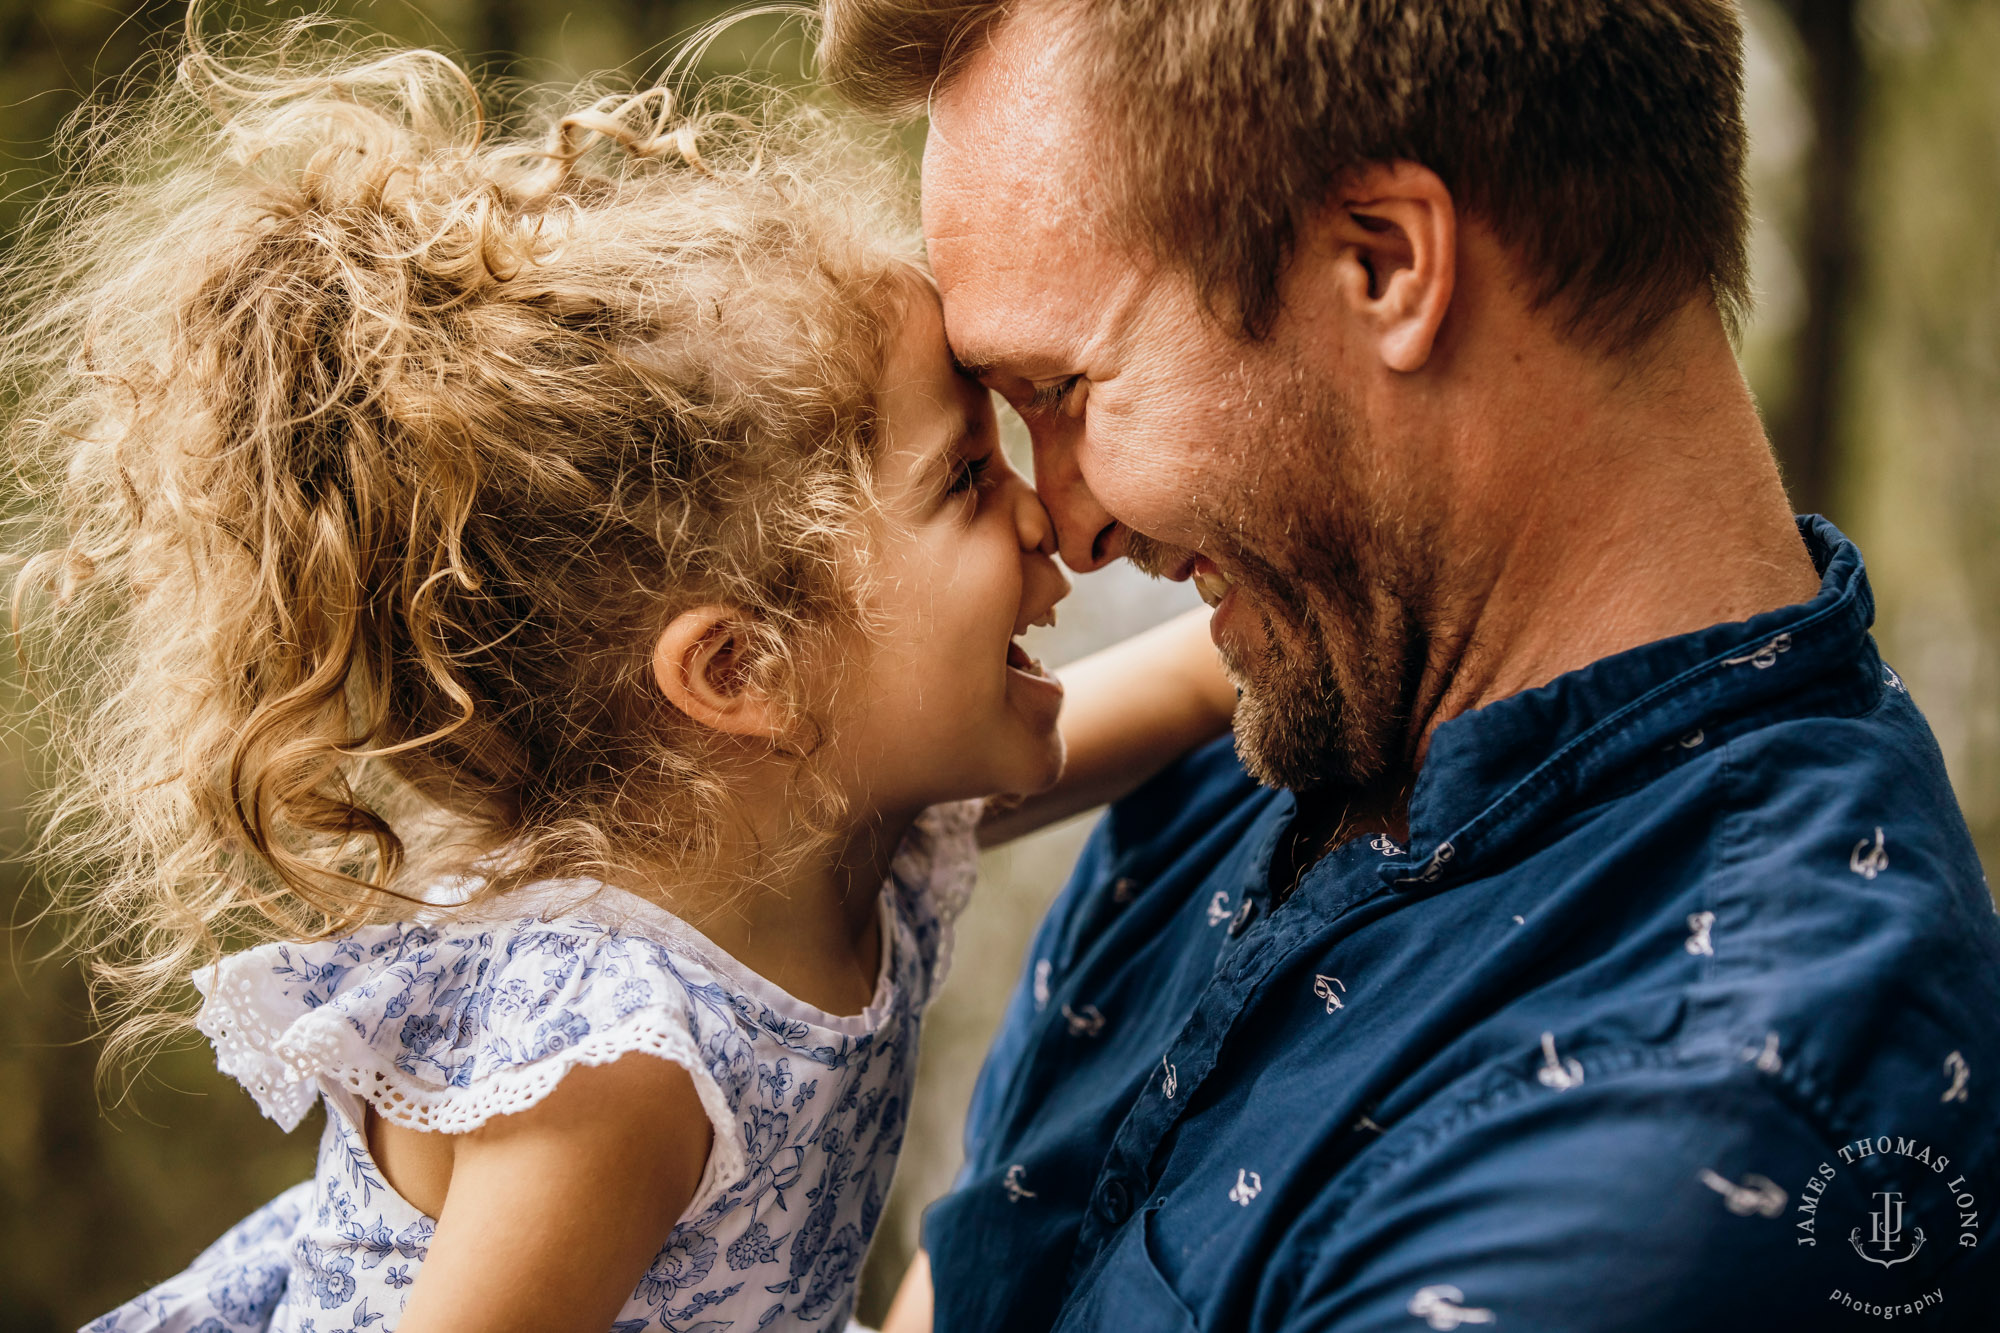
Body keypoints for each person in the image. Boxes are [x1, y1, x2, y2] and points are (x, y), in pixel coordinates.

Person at [6, 17, 1235, 1332]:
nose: (1047, 514)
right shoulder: (617, 1069)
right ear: (744, 668)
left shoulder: (832, 812)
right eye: (966, 480)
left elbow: (1204, 687)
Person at [817, 1, 2000, 1330]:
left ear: (1386, 265)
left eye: (1070, 393)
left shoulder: (1679, 1157)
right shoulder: (1283, 707)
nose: (1071, 522)